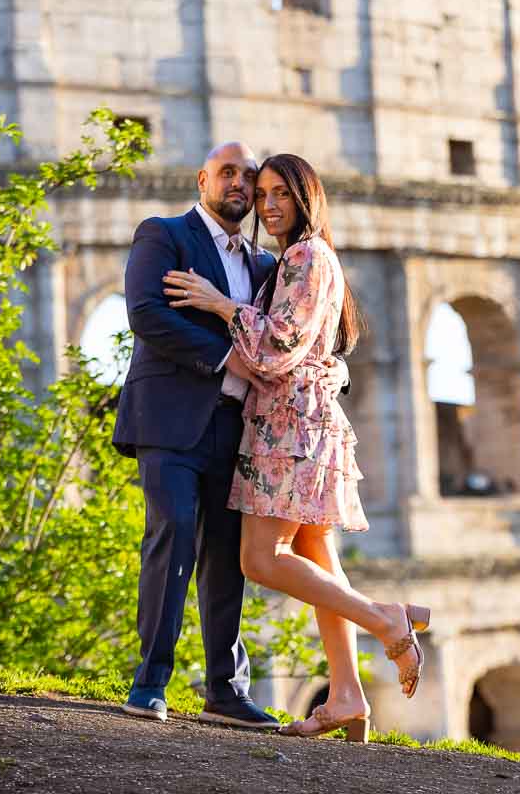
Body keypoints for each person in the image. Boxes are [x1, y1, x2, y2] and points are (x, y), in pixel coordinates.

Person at [162, 154, 430, 743]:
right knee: (318, 559)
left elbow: (276, 346)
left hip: (290, 426)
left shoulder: (307, 256)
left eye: (283, 192)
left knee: (261, 559)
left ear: (308, 197)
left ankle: (387, 619)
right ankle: (347, 695)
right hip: (303, 421)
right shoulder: (299, 259)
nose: (270, 205)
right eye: (262, 196)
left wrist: (218, 303)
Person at [112, 141, 346, 729]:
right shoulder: (163, 234)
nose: (243, 186)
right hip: (171, 419)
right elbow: (146, 314)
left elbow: (296, 338)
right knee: (175, 534)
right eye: (230, 174)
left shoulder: (271, 266)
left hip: (242, 430)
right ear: (202, 179)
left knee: (228, 557)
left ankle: (225, 689)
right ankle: (150, 682)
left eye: (254, 179)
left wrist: (330, 369)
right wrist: (227, 359)